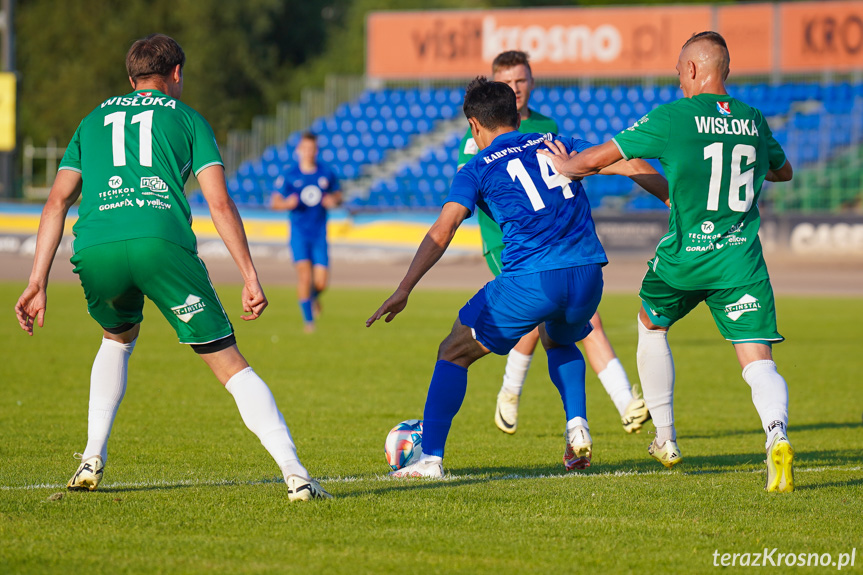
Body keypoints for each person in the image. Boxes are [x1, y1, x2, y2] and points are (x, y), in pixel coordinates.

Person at [14, 34, 331, 502]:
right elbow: (219, 203)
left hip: (97, 246)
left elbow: (57, 201)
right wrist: (249, 274)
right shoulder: (188, 119)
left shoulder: (92, 119)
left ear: (131, 79)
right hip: (161, 244)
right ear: (176, 73)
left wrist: (36, 281)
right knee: (229, 364)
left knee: (117, 339)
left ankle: (90, 456)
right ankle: (296, 473)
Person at [367, 77, 667, 478]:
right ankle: (577, 427)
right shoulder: (556, 141)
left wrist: (404, 288)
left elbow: (444, 229)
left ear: (474, 126)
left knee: (453, 350)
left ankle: (431, 459)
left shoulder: (474, 167)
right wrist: (672, 200)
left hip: (534, 279)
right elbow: (629, 162)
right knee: (557, 338)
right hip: (589, 275)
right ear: (514, 113)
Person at [539, 31, 795, 492]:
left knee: (650, 324)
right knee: (758, 361)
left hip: (685, 257)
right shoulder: (754, 120)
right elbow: (783, 170)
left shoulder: (674, 118)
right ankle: (776, 434)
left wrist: (566, 165)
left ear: (694, 69)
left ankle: (666, 437)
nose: (678, 82)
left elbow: (602, 157)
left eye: (679, 73)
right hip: (740, 260)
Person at [457, 50, 650, 436]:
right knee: (557, 320)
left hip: (555, 241)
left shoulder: (547, 126)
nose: (516, 88)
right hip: (508, 243)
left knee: (559, 321)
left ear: (532, 83)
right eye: (508, 82)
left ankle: (523, 396)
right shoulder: (475, 137)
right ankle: (614, 401)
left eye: (522, 80)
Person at [270, 132, 342, 333]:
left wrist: (334, 200)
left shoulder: (326, 173)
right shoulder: (290, 175)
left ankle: (313, 297)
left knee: (321, 282)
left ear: (316, 151)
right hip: (299, 234)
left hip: (319, 234)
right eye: (305, 148)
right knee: (304, 277)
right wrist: (286, 204)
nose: (309, 152)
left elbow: (339, 195)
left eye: (312, 149)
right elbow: (274, 202)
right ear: (299, 150)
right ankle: (309, 323)